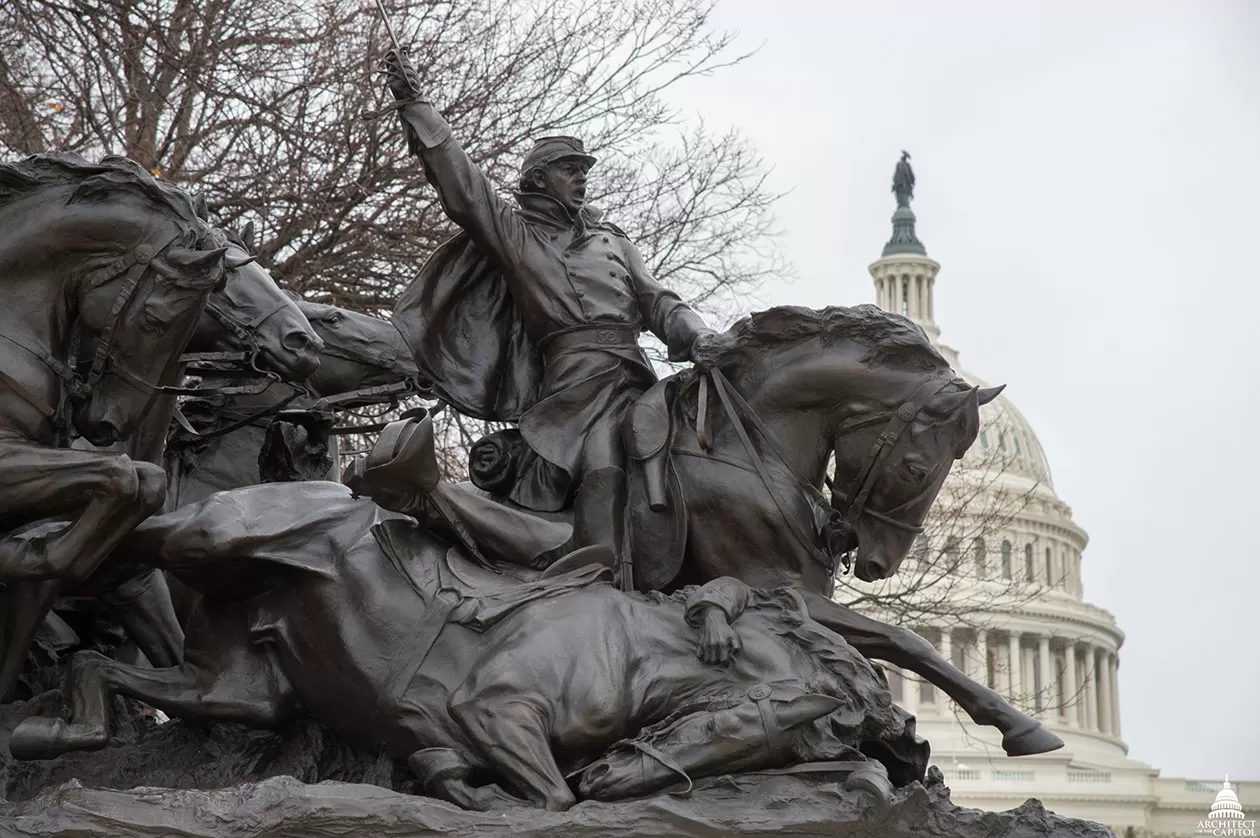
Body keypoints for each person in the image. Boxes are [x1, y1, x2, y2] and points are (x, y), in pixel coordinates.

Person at [383, 48, 722, 586]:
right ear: (539, 180)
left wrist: (699, 336)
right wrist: (416, 104)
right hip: (575, 388)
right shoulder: (520, 236)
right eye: (570, 170)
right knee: (608, 449)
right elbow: (463, 187)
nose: (582, 179)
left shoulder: (613, 240)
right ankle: (598, 568)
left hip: (636, 375)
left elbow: (658, 301)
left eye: (583, 170)